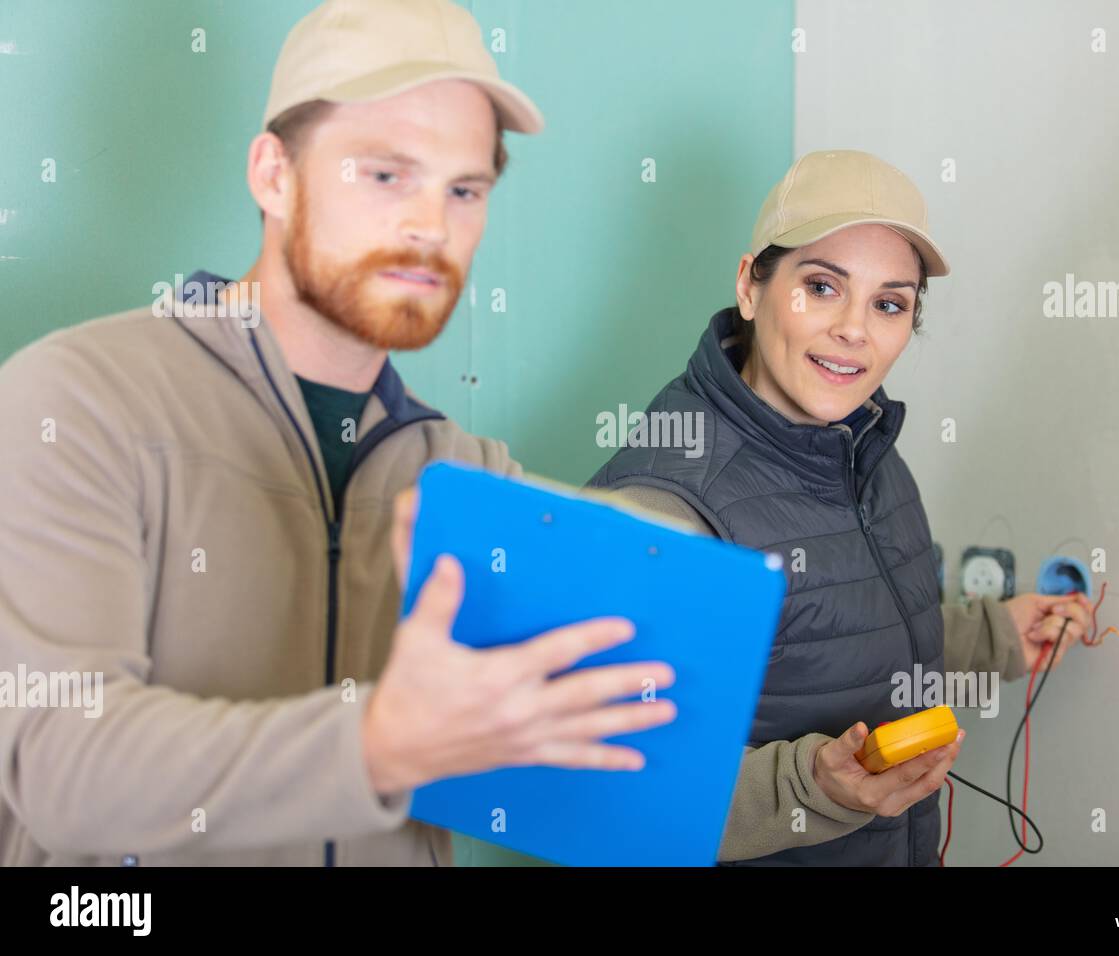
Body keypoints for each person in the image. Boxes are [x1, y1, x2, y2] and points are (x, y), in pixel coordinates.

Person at [0, 0, 679, 867]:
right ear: (273, 175)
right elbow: (64, 774)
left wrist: (817, 783)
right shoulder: (75, 401)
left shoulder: (470, 477)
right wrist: (377, 745)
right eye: (385, 174)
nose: (430, 225)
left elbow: (606, 771)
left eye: (464, 189)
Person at [588, 149, 1094, 866]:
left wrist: (991, 638)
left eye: (889, 303)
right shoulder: (666, 507)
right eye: (822, 287)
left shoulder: (859, 445)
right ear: (750, 285)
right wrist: (814, 789)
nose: (855, 329)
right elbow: (611, 790)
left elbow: (827, 638)